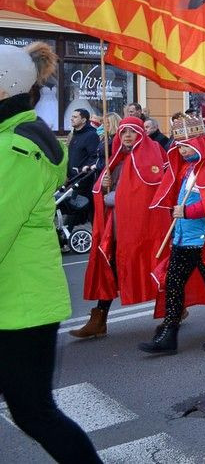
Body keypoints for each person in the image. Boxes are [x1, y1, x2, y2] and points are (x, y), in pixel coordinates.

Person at [0, 42, 102, 463]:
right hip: (17, 304)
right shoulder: (12, 139)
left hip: (20, 309)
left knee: (35, 413)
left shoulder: (17, 149)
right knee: (35, 412)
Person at [140, 115, 205, 354]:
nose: (183, 151)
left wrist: (186, 210)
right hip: (183, 238)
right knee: (173, 283)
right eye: (180, 146)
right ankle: (169, 333)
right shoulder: (188, 169)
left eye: (187, 146)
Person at [70, 117, 171, 339]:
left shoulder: (153, 151)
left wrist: (114, 196)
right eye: (123, 131)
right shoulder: (115, 157)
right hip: (116, 229)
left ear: (141, 134)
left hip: (144, 229)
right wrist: (102, 186)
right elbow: (102, 191)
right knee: (111, 268)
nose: (127, 135)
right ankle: (99, 320)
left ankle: (173, 312)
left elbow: (151, 188)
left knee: (155, 268)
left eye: (132, 131)